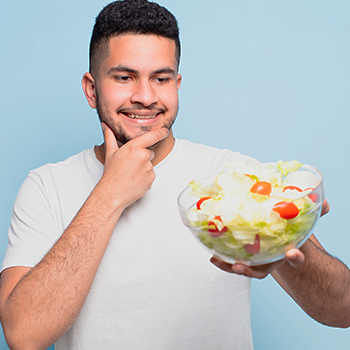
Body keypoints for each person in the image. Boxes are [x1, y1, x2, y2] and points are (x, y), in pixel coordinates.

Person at [0, 0, 349, 349]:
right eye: (124, 77)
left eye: (161, 78)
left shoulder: (234, 177)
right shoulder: (46, 187)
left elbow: (342, 310)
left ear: (177, 84)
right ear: (92, 89)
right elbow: (23, 336)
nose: (145, 97)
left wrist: (282, 244)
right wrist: (110, 192)